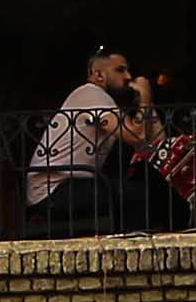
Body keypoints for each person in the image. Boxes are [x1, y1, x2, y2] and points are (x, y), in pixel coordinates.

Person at [27, 39, 145, 232]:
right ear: (98, 75)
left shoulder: (101, 100)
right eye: (120, 70)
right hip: (54, 190)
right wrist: (146, 97)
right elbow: (136, 136)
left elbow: (147, 138)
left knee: (130, 189)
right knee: (134, 195)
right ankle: (133, 250)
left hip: (68, 184)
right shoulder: (92, 94)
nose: (128, 76)